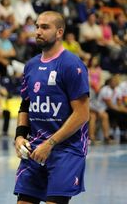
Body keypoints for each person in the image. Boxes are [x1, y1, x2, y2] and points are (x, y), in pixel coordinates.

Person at [14, 11, 90, 204]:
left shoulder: (72, 64)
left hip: (66, 150)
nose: (38, 31)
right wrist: (20, 136)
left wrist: (50, 144)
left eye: (45, 27)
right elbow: (25, 104)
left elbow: (82, 114)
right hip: (35, 148)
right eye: (37, 26)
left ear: (59, 32)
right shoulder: (30, 66)